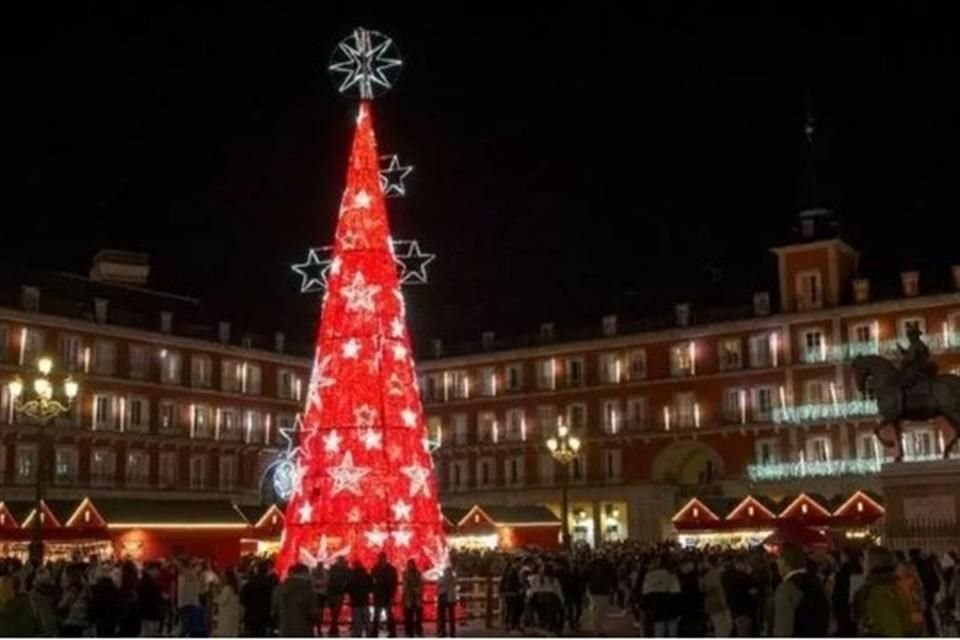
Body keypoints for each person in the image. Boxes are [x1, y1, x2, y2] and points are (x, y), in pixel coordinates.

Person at [853, 546, 922, 637]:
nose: (862, 563)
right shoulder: (901, 585)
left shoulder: (877, 592)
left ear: (871, 563)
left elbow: (892, 628)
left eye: (865, 559)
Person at [772, 544, 829, 637]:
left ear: (784, 562)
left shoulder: (786, 588)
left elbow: (783, 629)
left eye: (778, 560)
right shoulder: (816, 582)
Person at [273, 563, 320, 637]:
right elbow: (314, 613)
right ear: (305, 573)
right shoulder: (307, 589)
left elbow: (274, 611)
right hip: (304, 631)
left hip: (285, 630)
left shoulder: (279, 588)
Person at [642, 554, 681, 637]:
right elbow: (677, 591)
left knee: (659, 630)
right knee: (672, 631)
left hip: (657, 604)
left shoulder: (651, 575)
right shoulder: (672, 575)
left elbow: (645, 591)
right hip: (671, 604)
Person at [832, 548, 863, 637]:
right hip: (854, 603)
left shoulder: (844, 570)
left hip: (843, 604)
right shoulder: (859, 568)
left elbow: (838, 590)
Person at [240, 560, 274, 637]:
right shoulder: (270, 584)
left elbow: (242, 600)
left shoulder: (249, 583)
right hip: (264, 617)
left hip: (250, 616)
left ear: (256, 570)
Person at [585, 551, 615, 635]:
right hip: (604, 589)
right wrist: (613, 587)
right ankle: (599, 629)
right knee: (602, 610)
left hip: (593, 589)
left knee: (596, 609)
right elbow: (612, 576)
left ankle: (597, 628)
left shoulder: (590, 564)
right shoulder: (608, 564)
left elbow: (585, 576)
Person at [371, 552, 399, 637]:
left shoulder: (378, 568)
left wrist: (392, 594)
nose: (380, 560)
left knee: (385, 614)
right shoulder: (389, 569)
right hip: (381, 595)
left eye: (381, 558)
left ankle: (389, 632)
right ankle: (378, 632)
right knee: (381, 614)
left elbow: (394, 582)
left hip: (385, 595)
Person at [89, 565, 121, 637]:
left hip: (100, 619)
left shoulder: (97, 589)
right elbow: (117, 605)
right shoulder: (114, 589)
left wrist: (92, 618)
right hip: (111, 619)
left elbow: (94, 605)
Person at [703, 556, 731, 637]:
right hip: (723, 603)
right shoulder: (722, 572)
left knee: (720, 629)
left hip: (716, 605)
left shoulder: (709, 575)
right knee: (724, 628)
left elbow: (708, 590)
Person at [58, 567, 90, 637]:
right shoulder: (86, 590)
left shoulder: (71, 592)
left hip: (73, 622)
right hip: (83, 623)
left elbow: (61, 606)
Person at [29, 567, 59, 637]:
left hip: (41, 623)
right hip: (52, 622)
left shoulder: (32, 593)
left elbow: (34, 611)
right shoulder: (54, 592)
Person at [347, 560, 372, 637]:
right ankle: (369, 633)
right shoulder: (366, 575)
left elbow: (349, 587)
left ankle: (358, 634)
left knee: (357, 619)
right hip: (364, 599)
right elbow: (371, 586)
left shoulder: (352, 575)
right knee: (367, 619)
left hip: (356, 600)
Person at [140, 562, 166, 638]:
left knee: (149, 632)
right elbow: (151, 596)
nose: (158, 573)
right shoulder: (147, 581)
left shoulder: (147, 580)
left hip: (149, 611)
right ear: (153, 570)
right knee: (149, 633)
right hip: (150, 611)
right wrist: (161, 596)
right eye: (157, 571)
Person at [214, 569, 241, 637]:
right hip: (232, 617)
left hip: (226, 619)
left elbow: (221, 600)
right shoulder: (234, 589)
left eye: (223, 577)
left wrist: (213, 599)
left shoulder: (227, 589)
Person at [327, 556, 349, 637]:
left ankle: (333, 627)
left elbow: (329, 579)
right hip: (338, 592)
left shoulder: (333, 568)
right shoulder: (343, 569)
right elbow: (346, 580)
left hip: (332, 592)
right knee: (336, 611)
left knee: (334, 611)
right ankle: (333, 627)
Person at [402, 559, 424, 638]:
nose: (409, 566)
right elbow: (405, 586)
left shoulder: (417, 573)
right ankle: (410, 631)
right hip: (409, 597)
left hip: (415, 597)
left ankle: (417, 630)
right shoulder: (405, 573)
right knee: (409, 616)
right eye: (408, 564)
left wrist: (417, 590)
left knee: (417, 616)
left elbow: (421, 584)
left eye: (410, 564)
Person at [437, 565, 458, 637]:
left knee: (443, 616)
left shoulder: (442, 578)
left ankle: (443, 631)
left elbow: (439, 586)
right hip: (450, 598)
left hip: (443, 597)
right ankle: (451, 632)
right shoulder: (453, 578)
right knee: (451, 616)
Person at [311, 561, 329, 633]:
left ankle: (318, 627)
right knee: (318, 611)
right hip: (319, 594)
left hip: (319, 594)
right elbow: (326, 582)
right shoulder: (322, 573)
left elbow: (325, 582)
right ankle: (318, 627)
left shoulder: (317, 573)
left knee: (318, 611)